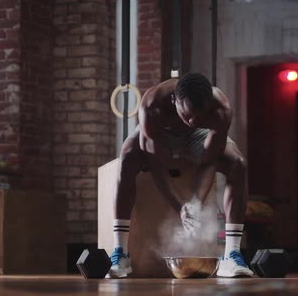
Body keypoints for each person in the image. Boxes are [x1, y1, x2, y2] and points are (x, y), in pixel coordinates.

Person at [108, 72, 254, 278]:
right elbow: (155, 164)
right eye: (188, 114)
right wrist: (180, 207)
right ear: (173, 100)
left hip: (198, 138)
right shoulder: (152, 106)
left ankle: (232, 254)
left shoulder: (220, 109)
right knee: (127, 157)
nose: (194, 120)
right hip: (161, 133)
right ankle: (120, 253)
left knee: (238, 163)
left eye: (200, 115)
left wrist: (195, 202)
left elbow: (209, 161)